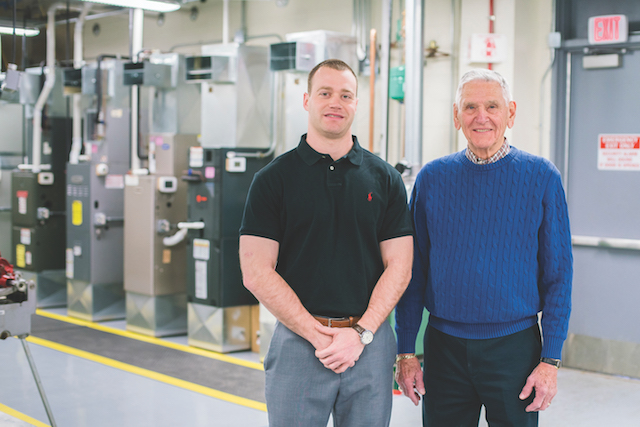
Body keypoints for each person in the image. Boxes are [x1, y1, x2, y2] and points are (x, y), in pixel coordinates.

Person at [239, 59, 414, 427]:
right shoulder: (273, 180)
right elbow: (255, 270)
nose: (335, 102)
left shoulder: (384, 179)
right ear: (306, 100)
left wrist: (360, 333)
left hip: (369, 343)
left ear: (356, 103)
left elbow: (400, 266)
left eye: (346, 95)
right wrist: (314, 333)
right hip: (298, 344)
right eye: (325, 93)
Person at [394, 69, 572, 427]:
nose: (481, 117)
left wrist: (549, 361)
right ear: (456, 117)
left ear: (511, 112)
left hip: (515, 350)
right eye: (470, 107)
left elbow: (559, 277)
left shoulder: (541, 177)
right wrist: (406, 351)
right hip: (444, 348)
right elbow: (413, 273)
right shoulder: (432, 179)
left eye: (492, 106)